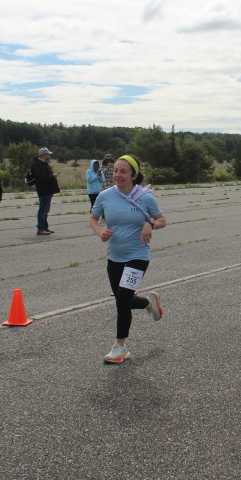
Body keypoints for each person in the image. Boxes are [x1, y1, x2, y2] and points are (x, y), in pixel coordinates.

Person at [88, 154, 166, 364]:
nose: (118, 175)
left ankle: (120, 347)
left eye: (123, 171)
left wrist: (150, 223)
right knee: (122, 299)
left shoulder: (145, 197)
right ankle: (148, 303)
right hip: (114, 257)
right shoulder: (105, 196)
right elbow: (93, 218)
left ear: (133, 175)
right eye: (116, 171)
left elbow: (162, 220)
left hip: (138, 256)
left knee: (122, 300)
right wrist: (99, 232)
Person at [30, 147, 60, 235]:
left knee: (46, 210)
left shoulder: (44, 164)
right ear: (43, 155)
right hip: (44, 191)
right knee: (43, 210)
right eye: (48, 154)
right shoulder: (38, 165)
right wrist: (53, 176)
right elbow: (43, 178)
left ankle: (45, 227)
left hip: (48, 190)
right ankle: (40, 228)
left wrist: (52, 175)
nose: (49, 156)